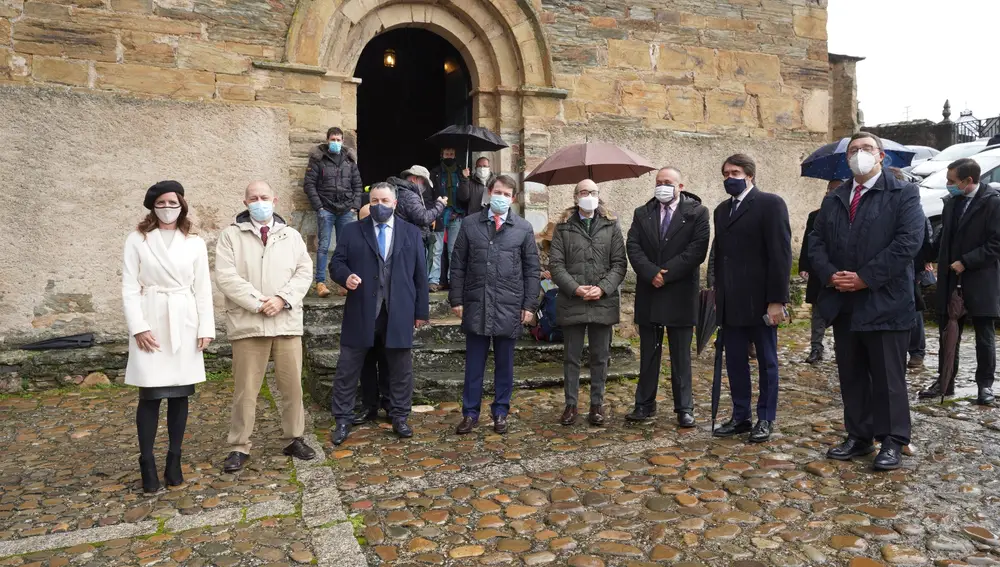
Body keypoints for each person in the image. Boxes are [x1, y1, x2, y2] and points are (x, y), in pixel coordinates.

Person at [809, 132, 924, 471]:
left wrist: (865, 278)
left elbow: (908, 243)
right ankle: (859, 435)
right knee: (852, 374)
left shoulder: (903, 192)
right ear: (846, 160)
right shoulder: (836, 198)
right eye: (854, 150)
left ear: (881, 156)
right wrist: (831, 275)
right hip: (844, 301)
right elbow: (815, 242)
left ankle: (892, 440)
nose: (860, 154)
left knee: (888, 377)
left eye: (866, 149)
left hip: (885, 300)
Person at [216, 181, 317, 473]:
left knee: (292, 387)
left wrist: (282, 299)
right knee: (245, 390)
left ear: (275, 199)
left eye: (264, 197)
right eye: (253, 198)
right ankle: (239, 445)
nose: (260, 202)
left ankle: (293, 438)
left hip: (285, 321)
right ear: (245, 202)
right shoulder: (230, 236)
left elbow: (304, 271)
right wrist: (259, 301)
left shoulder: (292, 236)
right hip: (249, 322)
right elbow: (226, 276)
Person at [122, 181, 215, 493]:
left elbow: (202, 288)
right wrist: (138, 326)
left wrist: (205, 328)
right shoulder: (137, 239)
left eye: (172, 202)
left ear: (182, 205)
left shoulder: (194, 242)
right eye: (160, 202)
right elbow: (129, 287)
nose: (167, 207)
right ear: (152, 206)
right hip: (152, 318)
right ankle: (147, 462)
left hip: (184, 320)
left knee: (180, 394)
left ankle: (174, 459)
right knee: (150, 395)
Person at [328, 182, 429, 445]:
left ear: (395, 204)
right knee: (349, 366)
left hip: (399, 310)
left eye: (384, 201)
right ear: (368, 203)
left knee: (400, 367)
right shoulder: (352, 231)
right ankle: (342, 418)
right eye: (374, 201)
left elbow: (420, 275)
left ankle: (399, 415)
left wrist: (421, 311)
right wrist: (345, 276)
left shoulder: (411, 233)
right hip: (362, 310)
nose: (379, 205)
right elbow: (336, 263)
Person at [451, 175, 541, 435]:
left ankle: (501, 411)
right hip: (477, 302)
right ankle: (470, 413)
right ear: (489, 193)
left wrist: (529, 304)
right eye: (497, 192)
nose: (501, 197)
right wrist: (456, 298)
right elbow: (458, 265)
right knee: (474, 364)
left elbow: (532, 270)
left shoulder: (523, 228)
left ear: (513, 199)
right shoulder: (470, 225)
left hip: (509, 304)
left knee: (505, 363)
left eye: (507, 194)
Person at [712, 154, 792, 443]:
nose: (728, 178)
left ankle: (765, 418)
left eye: (734, 172)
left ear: (749, 175)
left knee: (767, 361)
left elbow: (780, 255)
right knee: (735, 361)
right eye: (725, 173)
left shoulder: (770, 204)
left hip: (761, 301)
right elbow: (719, 255)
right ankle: (740, 415)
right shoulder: (722, 210)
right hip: (731, 301)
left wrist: (777, 300)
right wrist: (716, 291)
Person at [625, 167, 710, 427]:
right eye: (659, 182)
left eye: (668, 182)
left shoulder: (697, 213)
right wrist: (652, 273)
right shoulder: (642, 213)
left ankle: (684, 407)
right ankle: (644, 404)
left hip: (680, 292)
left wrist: (667, 273)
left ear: (680, 186)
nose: (663, 186)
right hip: (650, 290)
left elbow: (697, 250)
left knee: (681, 355)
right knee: (649, 354)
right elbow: (633, 245)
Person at [919, 158, 1000, 404]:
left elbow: (996, 243)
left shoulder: (993, 203)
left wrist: (967, 261)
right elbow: (945, 236)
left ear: (968, 181)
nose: (948, 184)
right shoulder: (952, 202)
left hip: (981, 279)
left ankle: (984, 386)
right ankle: (945, 381)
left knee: (984, 336)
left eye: (952, 181)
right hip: (950, 279)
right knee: (947, 332)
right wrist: (926, 255)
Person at [548, 179, 627, 426]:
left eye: (592, 192)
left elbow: (619, 264)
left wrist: (603, 289)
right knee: (571, 356)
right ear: (575, 196)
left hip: (602, 300)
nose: (588, 195)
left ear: (599, 195)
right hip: (573, 300)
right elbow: (556, 265)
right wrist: (575, 288)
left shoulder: (611, 226)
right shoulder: (563, 228)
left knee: (600, 356)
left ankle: (597, 404)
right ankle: (571, 405)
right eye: (584, 192)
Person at [304, 127, 363, 298]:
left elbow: (357, 185)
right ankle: (320, 283)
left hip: (346, 209)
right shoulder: (318, 159)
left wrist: (354, 206)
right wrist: (319, 206)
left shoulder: (349, 161)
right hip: (326, 209)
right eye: (333, 139)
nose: (335, 142)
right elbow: (309, 185)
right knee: (323, 246)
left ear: (343, 141)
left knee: (346, 247)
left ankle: (344, 282)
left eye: (338, 140)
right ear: (327, 140)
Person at [352, 204, 390, 424]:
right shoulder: (355, 237)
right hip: (363, 309)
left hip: (388, 309)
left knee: (388, 360)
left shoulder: (391, 238)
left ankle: (389, 403)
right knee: (366, 362)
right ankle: (369, 405)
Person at [800, 179, 843, 364]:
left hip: (842, 272)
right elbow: (807, 243)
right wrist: (803, 266)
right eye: (830, 189)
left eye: (836, 189)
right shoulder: (815, 216)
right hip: (819, 271)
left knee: (841, 312)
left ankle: (841, 348)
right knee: (818, 312)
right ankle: (816, 348)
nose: (831, 192)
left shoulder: (851, 216)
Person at [428, 147, 469, 291]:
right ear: (441, 155)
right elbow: (430, 194)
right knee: (436, 249)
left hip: (457, 215)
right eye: (447, 154)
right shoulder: (435, 173)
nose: (449, 156)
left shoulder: (461, 172)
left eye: (452, 154)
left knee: (454, 250)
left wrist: (464, 178)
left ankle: (454, 281)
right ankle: (433, 280)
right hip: (439, 214)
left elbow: (465, 197)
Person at [388, 165, 447, 250]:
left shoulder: (399, 190)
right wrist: (440, 204)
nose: (426, 187)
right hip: (409, 242)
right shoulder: (410, 196)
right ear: (415, 179)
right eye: (424, 183)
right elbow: (424, 218)